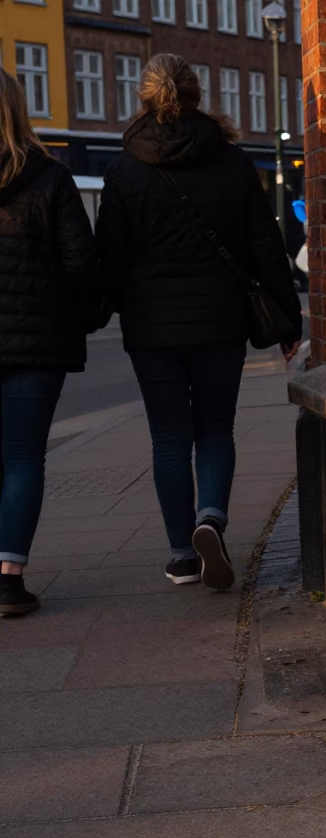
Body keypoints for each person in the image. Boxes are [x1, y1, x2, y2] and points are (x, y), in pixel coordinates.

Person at [97, 54, 301, 590]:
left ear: (143, 97)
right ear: (196, 95)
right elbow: (265, 245)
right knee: (215, 428)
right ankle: (211, 515)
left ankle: (181, 555)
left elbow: (109, 258)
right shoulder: (232, 164)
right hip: (219, 321)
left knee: (168, 438)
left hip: (151, 327)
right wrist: (288, 320)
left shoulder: (122, 171)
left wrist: (101, 308)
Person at [0, 69, 102, 615]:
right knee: (22, 457)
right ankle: (9, 578)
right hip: (37, 342)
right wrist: (85, 317)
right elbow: (81, 263)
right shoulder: (50, 178)